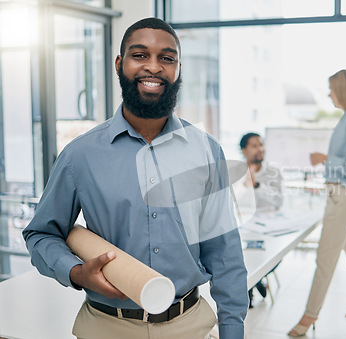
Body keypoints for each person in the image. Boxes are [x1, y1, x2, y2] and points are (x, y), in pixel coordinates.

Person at [23, 17, 248, 339]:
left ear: (178, 68)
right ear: (120, 63)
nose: (153, 67)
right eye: (140, 55)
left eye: (166, 58)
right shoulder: (79, 155)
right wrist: (74, 272)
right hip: (106, 326)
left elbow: (224, 250)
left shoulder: (206, 151)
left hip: (190, 324)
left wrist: (232, 329)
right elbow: (41, 234)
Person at [288, 69, 346, 337]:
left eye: (332, 89)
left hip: (342, 196)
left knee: (324, 258)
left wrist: (325, 158)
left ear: (343, 90)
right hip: (341, 195)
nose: (329, 94)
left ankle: (309, 316)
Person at [238, 132, 283, 306]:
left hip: (268, 227)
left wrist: (256, 185)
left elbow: (278, 201)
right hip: (244, 227)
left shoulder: (273, 172)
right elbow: (232, 200)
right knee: (237, 255)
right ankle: (254, 282)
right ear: (244, 150)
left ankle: (253, 282)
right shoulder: (236, 171)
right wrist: (244, 186)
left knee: (272, 256)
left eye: (261, 145)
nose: (260, 149)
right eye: (255, 146)